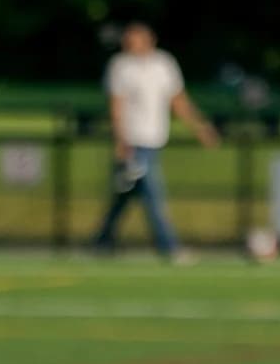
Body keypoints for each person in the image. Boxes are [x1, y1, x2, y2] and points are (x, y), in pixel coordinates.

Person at [94, 21, 219, 261]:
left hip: (154, 141)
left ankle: (101, 242)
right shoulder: (121, 66)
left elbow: (178, 100)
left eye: (135, 40)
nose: (129, 45)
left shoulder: (164, 64)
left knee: (123, 196)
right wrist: (121, 141)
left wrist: (200, 127)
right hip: (133, 142)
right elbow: (116, 107)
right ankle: (169, 247)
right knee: (153, 196)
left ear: (150, 40)